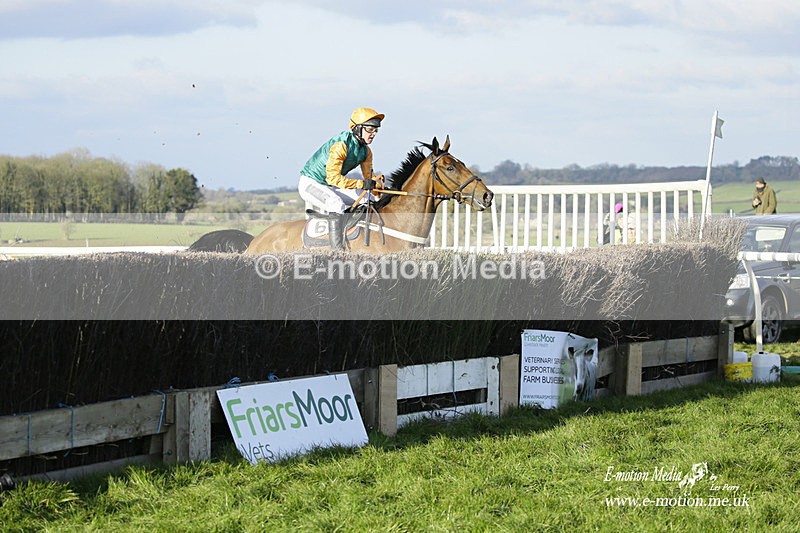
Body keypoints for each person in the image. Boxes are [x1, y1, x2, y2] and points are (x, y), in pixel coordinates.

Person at [298, 107, 385, 249]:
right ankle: (337, 251)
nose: (374, 133)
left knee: (368, 199)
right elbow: (333, 179)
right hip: (311, 183)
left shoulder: (366, 151)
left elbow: (369, 178)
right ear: (357, 128)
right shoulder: (341, 145)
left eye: (376, 130)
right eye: (370, 129)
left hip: (330, 185)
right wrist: (362, 184)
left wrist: (379, 190)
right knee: (336, 204)